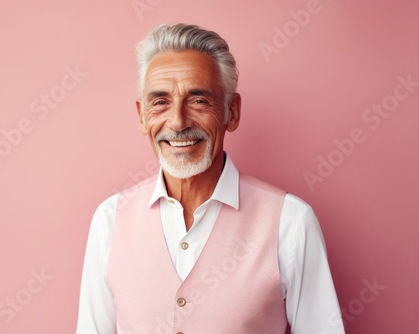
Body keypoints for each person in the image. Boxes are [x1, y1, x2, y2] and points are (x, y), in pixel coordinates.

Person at [76, 23, 344, 334]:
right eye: (160, 102)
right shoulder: (109, 221)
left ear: (232, 112)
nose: (177, 122)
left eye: (198, 100)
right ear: (142, 116)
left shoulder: (291, 221)